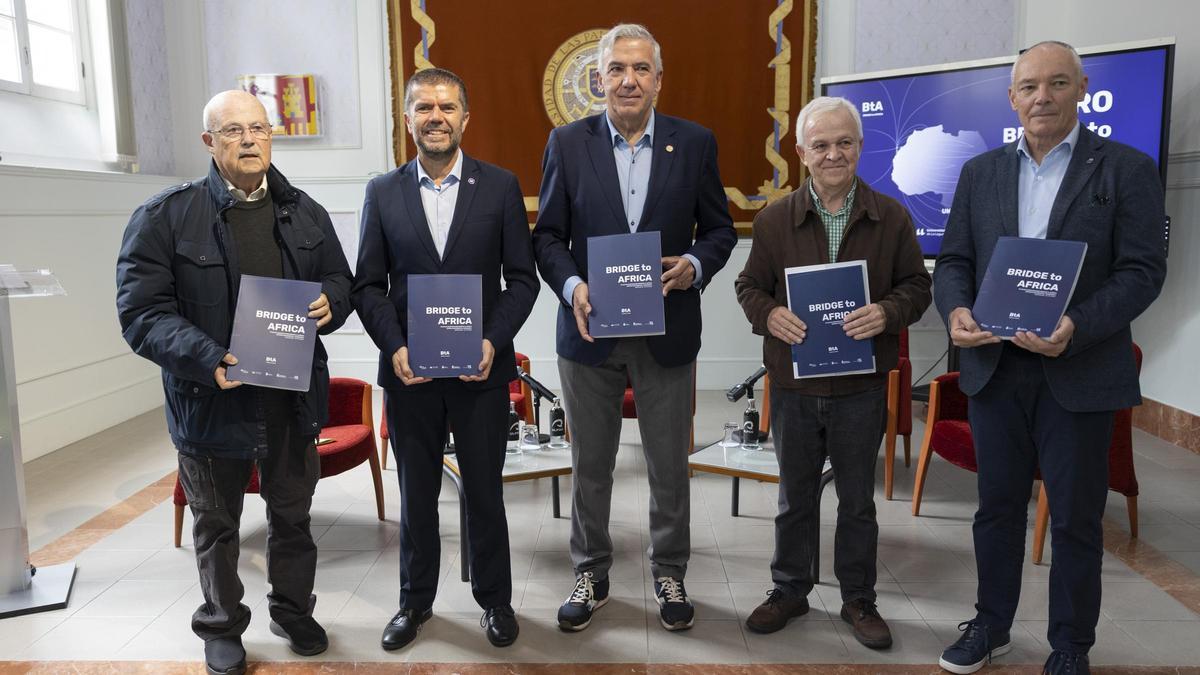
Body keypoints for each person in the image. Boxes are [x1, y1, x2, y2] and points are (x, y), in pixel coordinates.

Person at [933, 41, 1167, 675]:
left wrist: (1076, 326)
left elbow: (1144, 271)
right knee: (998, 510)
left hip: (1080, 371)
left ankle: (1071, 646)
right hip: (996, 370)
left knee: (1077, 520)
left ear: (1081, 89)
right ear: (1012, 98)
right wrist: (955, 313)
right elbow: (954, 261)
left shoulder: (1126, 168)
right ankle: (991, 625)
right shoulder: (980, 173)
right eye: (1030, 86)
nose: (1042, 96)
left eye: (1057, 83)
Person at [116, 90, 353, 675]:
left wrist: (333, 303)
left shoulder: (305, 211)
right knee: (217, 523)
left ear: (271, 136)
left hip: (291, 398)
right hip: (210, 398)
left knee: (293, 516)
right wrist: (207, 356)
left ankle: (293, 610)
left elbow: (340, 280)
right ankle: (222, 625)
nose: (249, 141)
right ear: (209, 142)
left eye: (258, 129)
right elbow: (141, 314)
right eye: (232, 132)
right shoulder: (164, 216)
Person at [532, 22, 737, 633]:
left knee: (669, 464)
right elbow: (547, 236)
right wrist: (574, 286)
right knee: (590, 464)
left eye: (641, 69)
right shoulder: (567, 143)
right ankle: (591, 571)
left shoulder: (694, 142)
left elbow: (720, 230)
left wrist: (695, 264)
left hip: (667, 332)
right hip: (590, 336)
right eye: (617, 69)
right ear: (600, 79)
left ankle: (669, 568)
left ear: (658, 80)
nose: (629, 79)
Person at [352, 67, 539, 651]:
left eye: (447, 107)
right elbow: (368, 285)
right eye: (424, 107)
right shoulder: (382, 191)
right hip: (410, 375)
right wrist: (395, 346)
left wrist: (491, 342)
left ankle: (495, 601)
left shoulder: (501, 186)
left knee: (485, 491)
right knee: (417, 496)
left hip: (481, 373)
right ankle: (414, 603)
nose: (436, 117)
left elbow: (522, 281)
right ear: (407, 120)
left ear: (465, 118)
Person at [734, 96, 931, 649]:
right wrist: (770, 314)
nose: (833, 154)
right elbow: (748, 288)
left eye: (844, 142)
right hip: (794, 386)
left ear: (861, 147)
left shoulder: (890, 217)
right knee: (794, 498)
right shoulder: (775, 219)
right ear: (801, 153)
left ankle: (858, 599)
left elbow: (918, 287)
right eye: (820, 145)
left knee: (857, 502)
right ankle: (790, 591)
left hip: (860, 388)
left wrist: (887, 313)